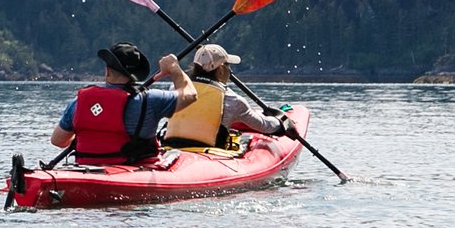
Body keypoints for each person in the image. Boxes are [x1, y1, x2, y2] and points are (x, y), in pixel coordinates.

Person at [50, 42, 195, 164]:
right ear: (137, 74)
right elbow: (190, 94)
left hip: (86, 169)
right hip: (132, 171)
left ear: (107, 71)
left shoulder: (79, 102)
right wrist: (174, 69)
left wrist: (92, 136)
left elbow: (58, 141)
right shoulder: (152, 100)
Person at [168, 42, 297, 148]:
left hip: (171, 147)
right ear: (221, 69)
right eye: (228, 66)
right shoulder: (233, 100)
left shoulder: (175, 88)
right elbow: (264, 126)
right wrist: (281, 123)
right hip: (209, 153)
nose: (230, 70)